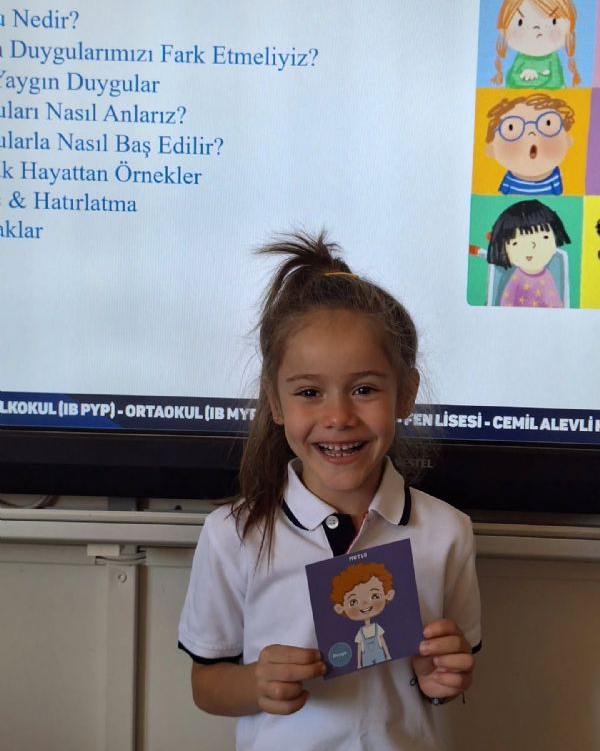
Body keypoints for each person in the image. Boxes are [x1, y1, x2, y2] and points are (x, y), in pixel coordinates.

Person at [179, 231, 481, 750]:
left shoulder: (447, 532)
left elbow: (449, 674)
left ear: (405, 393)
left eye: (364, 389)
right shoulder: (233, 535)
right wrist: (255, 684)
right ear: (276, 402)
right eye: (309, 392)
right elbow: (206, 684)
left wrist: (442, 681)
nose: (338, 416)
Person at [491, 0, 581, 89]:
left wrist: (538, 77)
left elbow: (557, 82)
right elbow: (512, 80)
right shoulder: (521, 58)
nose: (536, 28)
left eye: (553, 21)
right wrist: (525, 77)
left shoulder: (552, 59)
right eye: (520, 22)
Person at [485, 93, 575, 195]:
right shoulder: (509, 180)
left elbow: (559, 197)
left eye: (548, 123)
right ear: (491, 149)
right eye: (511, 128)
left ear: (568, 139)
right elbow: (503, 198)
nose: (531, 134)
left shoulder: (555, 176)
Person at [486, 199, 571, 307]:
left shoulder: (547, 277)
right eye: (516, 243)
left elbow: (556, 305)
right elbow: (506, 306)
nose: (531, 248)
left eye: (544, 237)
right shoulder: (517, 279)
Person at [331, 561, 395, 669]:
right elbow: (359, 648)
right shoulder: (360, 633)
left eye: (375, 596)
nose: (365, 603)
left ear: (388, 595)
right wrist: (359, 664)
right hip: (366, 658)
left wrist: (387, 654)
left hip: (380, 655)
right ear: (340, 608)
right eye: (353, 602)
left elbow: (382, 641)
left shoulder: (376, 628)